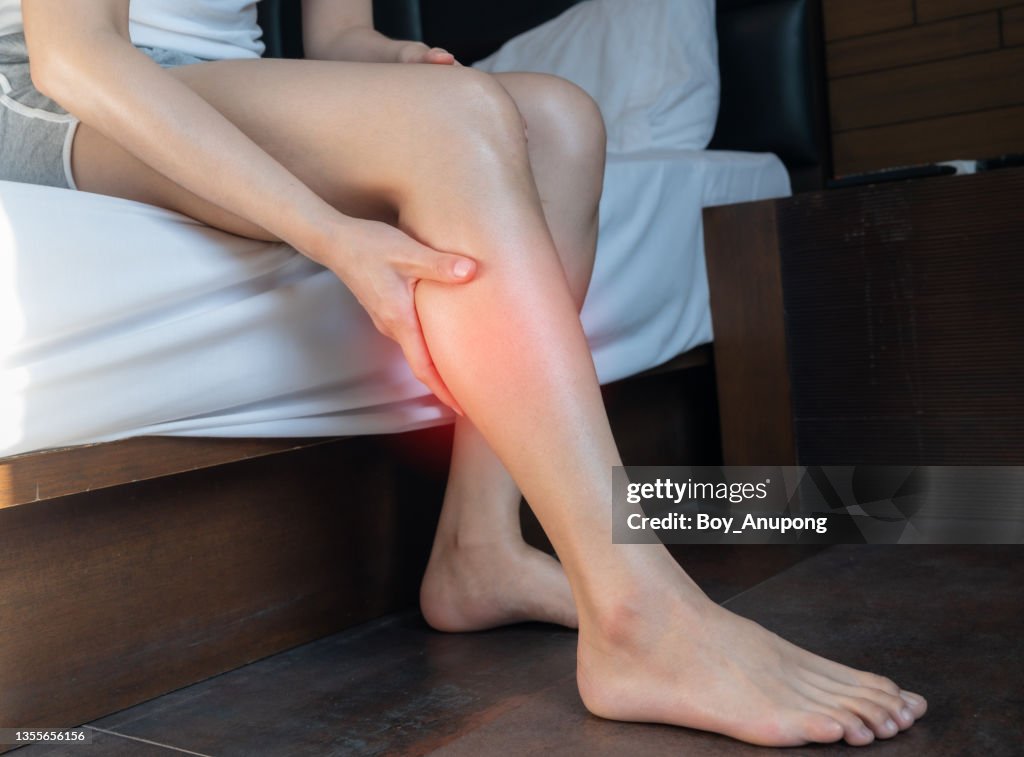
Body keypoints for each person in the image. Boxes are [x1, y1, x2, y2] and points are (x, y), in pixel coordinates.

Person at [3, 0, 927, 747]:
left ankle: (480, 547)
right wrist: (329, 233)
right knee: (460, 124)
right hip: (64, 92)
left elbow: (337, 36)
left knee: (559, 120)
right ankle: (640, 615)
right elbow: (74, 56)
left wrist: (391, 63)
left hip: (223, 80)